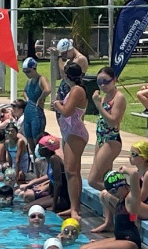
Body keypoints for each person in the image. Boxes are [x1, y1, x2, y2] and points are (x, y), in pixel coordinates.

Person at [52, 62, 88, 219]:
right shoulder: (73, 90)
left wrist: (57, 104)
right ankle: (75, 207)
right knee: (72, 172)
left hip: (76, 133)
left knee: (71, 171)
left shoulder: (77, 90)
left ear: (67, 76)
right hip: (69, 133)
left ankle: (75, 209)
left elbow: (66, 112)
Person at [79, 170, 141, 249]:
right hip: (120, 238)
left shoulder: (130, 200)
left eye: (114, 191)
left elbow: (134, 175)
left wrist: (125, 170)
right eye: (111, 192)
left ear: (122, 185)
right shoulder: (120, 200)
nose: (113, 194)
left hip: (131, 242)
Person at [88, 67, 126, 191]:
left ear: (114, 80)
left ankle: (124, 195)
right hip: (101, 140)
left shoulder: (118, 97)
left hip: (112, 141)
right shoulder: (104, 98)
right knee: (106, 178)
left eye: (106, 81)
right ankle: (111, 206)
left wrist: (98, 105)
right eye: (99, 82)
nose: (103, 85)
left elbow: (113, 122)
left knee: (93, 181)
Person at [25, 135, 70, 214]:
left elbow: (58, 184)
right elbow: (52, 182)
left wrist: (54, 205)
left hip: (63, 198)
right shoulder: (49, 160)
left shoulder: (54, 159)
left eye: (40, 147)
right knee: (27, 207)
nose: (38, 149)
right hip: (55, 196)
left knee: (30, 209)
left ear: (48, 149)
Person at [22, 57, 50, 154]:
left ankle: (40, 162)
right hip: (28, 114)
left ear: (34, 68)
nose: (26, 74)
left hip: (37, 114)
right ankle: (33, 165)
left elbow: (47, 90)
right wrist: (28, 99)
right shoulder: (29, 81)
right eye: (24, 71)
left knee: (37, 141)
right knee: (30, 142)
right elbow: (24, 92)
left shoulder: (41, 79)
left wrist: (40, 98)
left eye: (28, 71)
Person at [54, 38, 89, 115]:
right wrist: (55, 58)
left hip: (73, 92)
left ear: (70, 49)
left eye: (64, 54)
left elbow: (65, 73)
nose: (64, 56)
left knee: (71, 118)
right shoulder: (69, 60)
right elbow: (58, 76)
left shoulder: (80, 59)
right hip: (65, 91)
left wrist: (59, 57)